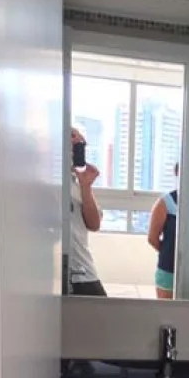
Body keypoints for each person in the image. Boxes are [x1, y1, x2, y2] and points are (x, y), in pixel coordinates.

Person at [69, 127, 106, 296]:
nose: (77, 148)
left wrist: (86, 186)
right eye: (73, 142)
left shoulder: (76, 184)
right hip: (50, 275)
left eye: (80, 146)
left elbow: (94, 224)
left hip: (83, 271)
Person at [148, 164, 179, 299]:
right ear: (177, 174)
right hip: (168, 270)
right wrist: (169, 252)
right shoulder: (165, 202)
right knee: (167, 310)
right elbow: (152, 238)